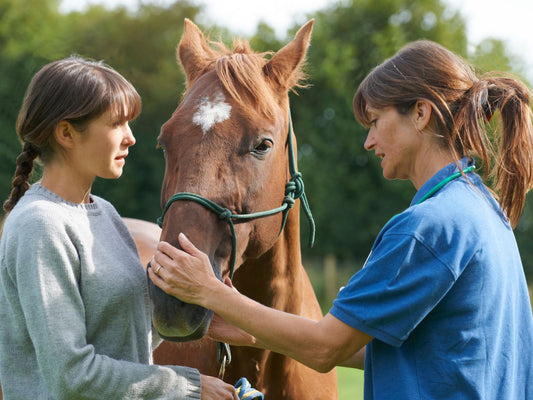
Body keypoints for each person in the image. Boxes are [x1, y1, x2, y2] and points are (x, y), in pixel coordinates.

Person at [148, 40, 533, 399]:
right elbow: (395, 351)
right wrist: (255, 333)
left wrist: (210, 292)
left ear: (420, 113)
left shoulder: (427, 229)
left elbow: (325, 346)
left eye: (376, 121)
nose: (368, 142)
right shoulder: (484, 209)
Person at [0, 56, 238, 400]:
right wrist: (189, 387)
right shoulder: (40, 225)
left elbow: (118, 338)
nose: (131, 138)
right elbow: (72, 377)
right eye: (116, 124)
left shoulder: (105, 213)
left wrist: (205, 319)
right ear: (66, 133)